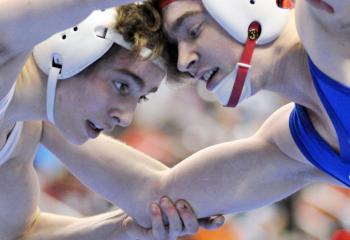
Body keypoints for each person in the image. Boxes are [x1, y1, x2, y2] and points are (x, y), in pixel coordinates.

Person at [39, 0, 350, 231]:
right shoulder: (298, 144)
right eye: (179, 46)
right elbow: (158, 198)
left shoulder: (329, 28)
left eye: (193, 29)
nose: (185, 61)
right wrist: (41, 109)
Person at [0, 1, 224, 239]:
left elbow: (18, 234)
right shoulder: (6, 52)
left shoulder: (20, 137)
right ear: (74, 49)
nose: (125, 117)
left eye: (141, 98)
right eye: (122, 85)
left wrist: (122, 228)